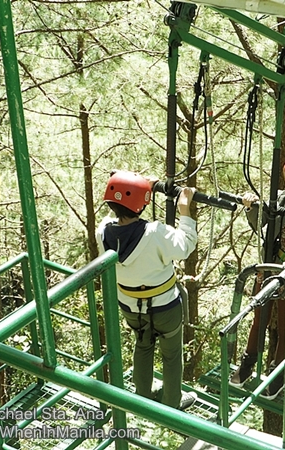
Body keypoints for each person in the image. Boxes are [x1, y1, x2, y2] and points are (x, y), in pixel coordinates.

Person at [96, 170, 198, 411]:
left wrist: (142, 190)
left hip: (130, 305)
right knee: (171, 354)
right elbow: (185, 245)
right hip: (165, 306)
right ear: (141, 205)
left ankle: (142, 396)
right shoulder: (155, 233)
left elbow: (120, 212)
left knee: (143, 343)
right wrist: (184, 209)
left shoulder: (103, 231)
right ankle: (172, 403)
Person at [229, 155, 285, 400]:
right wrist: (250, 206)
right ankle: (247, 365)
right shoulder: (281, 199)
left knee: (284, 324)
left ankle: (277, 375)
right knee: (261, 315)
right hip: (272, 266)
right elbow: (261, 223)